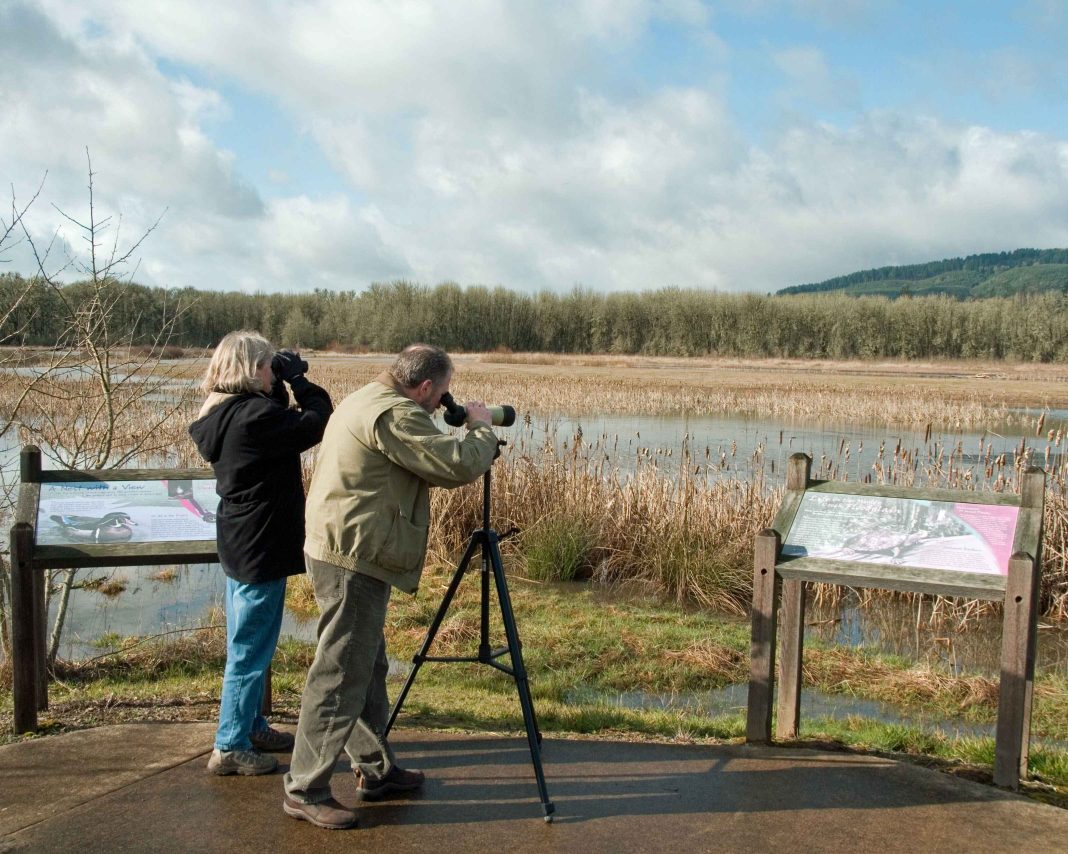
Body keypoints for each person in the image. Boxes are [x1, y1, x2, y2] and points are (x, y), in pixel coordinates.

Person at [282, 343, 498, 830]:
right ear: (424, 387)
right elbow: (456, 464)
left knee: (365, 662)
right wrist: (479, 426)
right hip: (352, 555)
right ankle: (304, 788)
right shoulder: (393, 415)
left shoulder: (367, 396)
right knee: (339, 671)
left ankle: (376, 770)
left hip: (343, 545)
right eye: (440, 395)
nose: (442, 403)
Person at [189, 330, 333, 776]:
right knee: (250, 648)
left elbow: (285, 421)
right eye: (270, 365)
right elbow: (316, 419)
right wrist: (300, 382)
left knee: (244, 640)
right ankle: (229, 744)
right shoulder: (254, 417)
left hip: (239, 539)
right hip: (261, 544)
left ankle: (250, 724)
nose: (275, 372)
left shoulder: (222, 413)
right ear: (252, 369)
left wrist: (283, 381)